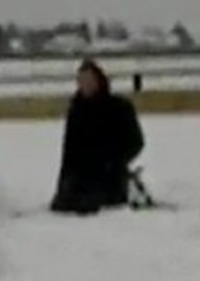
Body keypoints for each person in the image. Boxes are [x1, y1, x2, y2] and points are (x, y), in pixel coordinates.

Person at [49, 58, 145, 215]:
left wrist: (114, 163)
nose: (84, 85)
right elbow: (69, 152)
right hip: (81, 178)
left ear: (98, 80)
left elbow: (136, 142)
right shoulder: (76, 111)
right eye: (81, 80)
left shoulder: (119, 108)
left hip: (111, 177)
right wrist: (63, 184)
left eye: (88, 80)